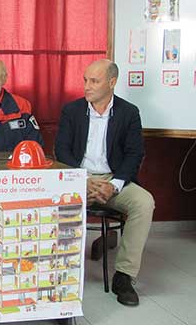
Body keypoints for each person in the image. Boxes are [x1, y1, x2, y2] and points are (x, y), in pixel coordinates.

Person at [55, 59, 155, 307]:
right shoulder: (72, 110)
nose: (87, 86)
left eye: (94, 81)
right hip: (78, 177)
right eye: (85, 80)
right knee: (50, 199)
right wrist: (83, 180)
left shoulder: (128, 112)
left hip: (113, 179)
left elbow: (134, 153)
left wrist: (115, 185)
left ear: (112, 82)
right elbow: (61, 150)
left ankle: (124, 276)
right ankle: (57, 269)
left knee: (144, 203)